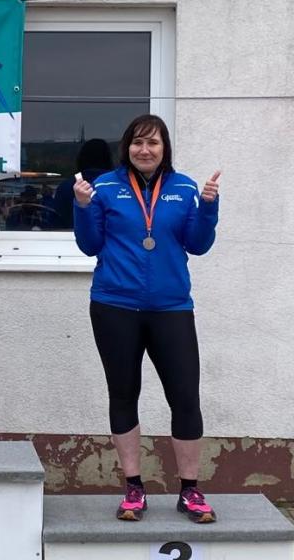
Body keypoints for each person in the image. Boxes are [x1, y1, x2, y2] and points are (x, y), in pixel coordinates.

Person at [73, 114, 221, 524]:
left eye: (153, 143)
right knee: (123, 395)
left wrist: (209, 207)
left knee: (185, 397)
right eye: (137, 142)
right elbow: (89, 245)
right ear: (127, 147)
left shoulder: (185, 188)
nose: (144, 150)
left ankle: (189, 490)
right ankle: (133, 487)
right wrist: (82, 207)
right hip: (114, 306)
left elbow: (198, 244)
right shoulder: (104, 188)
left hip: (171, 308)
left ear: (164, 148)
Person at [48, 138, 113, 230]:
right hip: (111, 237)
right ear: (108, 159)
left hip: (66, 235)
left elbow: (54, 223)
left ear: (81, 158)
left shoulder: (66, 187)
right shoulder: (119, 186)